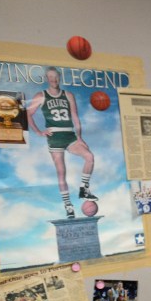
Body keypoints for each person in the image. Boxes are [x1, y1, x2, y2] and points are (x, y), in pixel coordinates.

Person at [27, 66, 98, 218]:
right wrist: (39, 132)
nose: (54, 79)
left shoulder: (68, 95)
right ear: (47, 79)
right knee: (61, 173)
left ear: (59, 78)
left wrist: (79, 136)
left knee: (89, 157)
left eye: (56, 77)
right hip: (55, 138)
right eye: (50, 77)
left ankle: (84, 188)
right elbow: (28, 114)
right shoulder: (41, 95)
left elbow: (75, 117)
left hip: (70, 135)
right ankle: (68, 205)